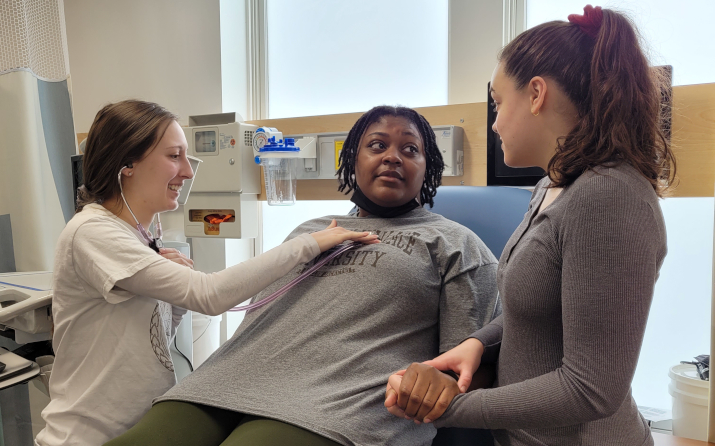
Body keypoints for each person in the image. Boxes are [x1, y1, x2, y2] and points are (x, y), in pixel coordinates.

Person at [103, 105, 500, 446]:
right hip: (227, 380)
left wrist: (439, 382)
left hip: (340, 400)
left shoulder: (454, 243)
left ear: (428, 167)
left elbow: (469, 361)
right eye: (377, 145)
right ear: (352, 160)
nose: (393, 156)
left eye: (410, 149)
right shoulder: (310, 230)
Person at [385, 5, 676, 446]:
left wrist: (448, 409)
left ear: (537, 93)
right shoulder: (550, 186)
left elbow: (590, 389)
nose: (496, 121)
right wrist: (478, 343)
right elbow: (540, 312)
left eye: (499, 103)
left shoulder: (609, 197)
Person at [34, 100, 379, 446]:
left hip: (142, 429)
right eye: (174, 156)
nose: (187, 171)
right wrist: (309, 243)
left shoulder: (139, 233)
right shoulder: (93, 232)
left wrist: (175, 302)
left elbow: (151, 343)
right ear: (127, 163)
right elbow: (210, 294)